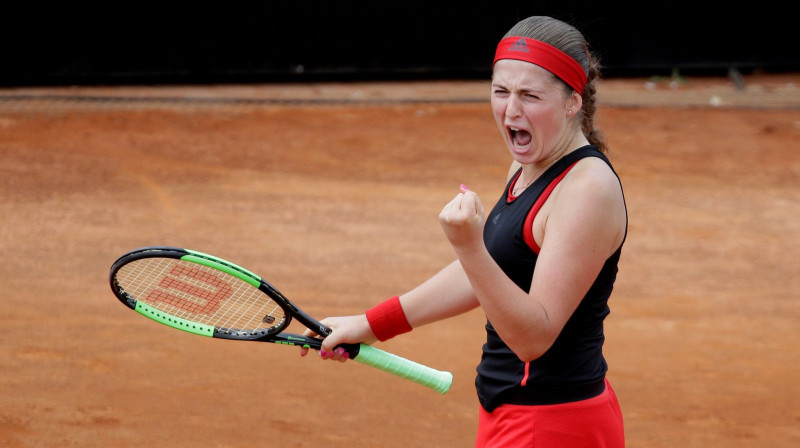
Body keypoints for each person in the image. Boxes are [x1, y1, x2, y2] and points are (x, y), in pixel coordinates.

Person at [301, 15, 627, 447]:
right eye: (500, 91)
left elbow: (534, 336)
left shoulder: (587, 190)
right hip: (512, 413)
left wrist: (470, 247)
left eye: (530, 95)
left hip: (551, 424)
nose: (511, 110)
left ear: (572, 102)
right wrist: (370, 324)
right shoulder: (530, 164)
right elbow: (493, 270)